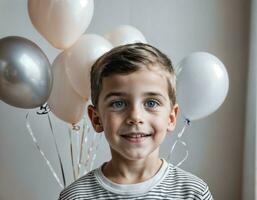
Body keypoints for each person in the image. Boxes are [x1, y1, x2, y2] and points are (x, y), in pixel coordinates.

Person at [58, 43, 213, 200]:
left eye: (151, 103)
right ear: (96, 119)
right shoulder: (75, 197)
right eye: (118, 103)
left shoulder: (194, 193)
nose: (135, 117)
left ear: (171, 118)